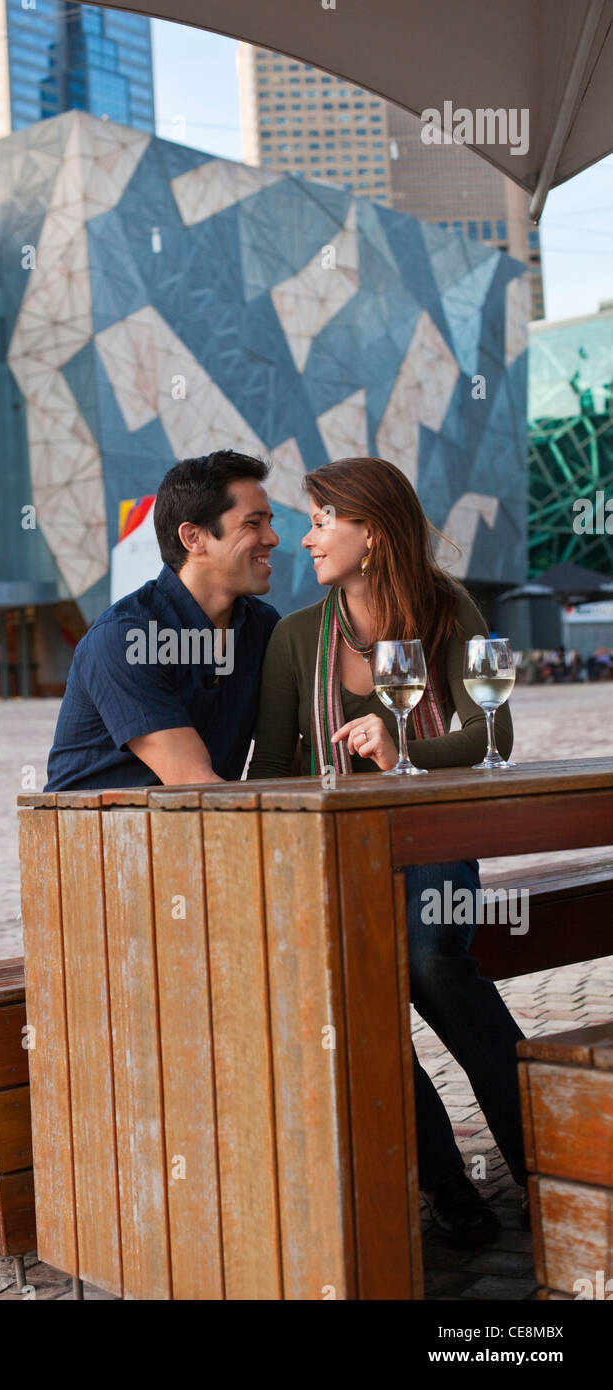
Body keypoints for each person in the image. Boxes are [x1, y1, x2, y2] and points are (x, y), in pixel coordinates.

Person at [247, 456, 527, 1248]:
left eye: (321, 521)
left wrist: (401, 748)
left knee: (434, 964)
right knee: (351, 989)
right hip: (335, 856)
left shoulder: (449, 610)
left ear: (371, 532)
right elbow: (273, 768)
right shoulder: (298, 637)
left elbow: (493, 732)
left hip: (434, 837)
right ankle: (444, 1182)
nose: (305, 539)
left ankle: (540, 1163)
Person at [45, 450, 280, 791]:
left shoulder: (262, 627)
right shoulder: (126, 638)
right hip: (98, 837)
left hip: (191, 829)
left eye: (271, 522)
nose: (272, 538)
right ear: (193, 538)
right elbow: (192, 783)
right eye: (253, 523)